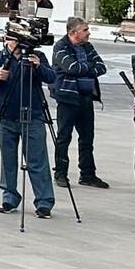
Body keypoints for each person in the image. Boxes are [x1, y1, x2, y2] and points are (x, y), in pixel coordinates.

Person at [0, 28, 59, 219]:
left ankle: (44, 202)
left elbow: (52, 77)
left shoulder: (36, 56)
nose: (19, 46)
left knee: (37, 160)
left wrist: (39, 66)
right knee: (8, 160)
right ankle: (9, 197)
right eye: (15, 41)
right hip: (5, 116)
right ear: (7, 40)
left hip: (33, 116)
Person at [50, 16, 110, 190]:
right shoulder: (61, 47)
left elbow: (101, 67)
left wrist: (84, 69)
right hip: (67, 98)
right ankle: (60, 173)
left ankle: (88, 174)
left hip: (85, 97)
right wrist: (88, 69)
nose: (88, 32)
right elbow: (71, 68)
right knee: (64, 137)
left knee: (87, 138)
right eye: (85, 30)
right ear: (73, 32)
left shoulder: (88, 47)